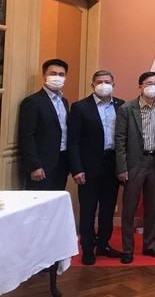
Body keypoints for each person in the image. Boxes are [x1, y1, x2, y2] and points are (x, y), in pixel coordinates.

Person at [68, 70, 125, 265]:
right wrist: (76, 168)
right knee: (88, 209)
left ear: (113, 84)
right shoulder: (80, 107)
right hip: (88, 167)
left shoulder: (121, 106)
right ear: (93, 85)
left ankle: (103, 245)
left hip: (112, 165)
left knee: (108, 209)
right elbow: (73, 141)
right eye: (99, 82)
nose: (103, 85)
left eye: (107, 81)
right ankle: (87, 248)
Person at [115, 71, 155, 264]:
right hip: (134, 164)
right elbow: (120, 140)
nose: (153, 86)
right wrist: (121, 168)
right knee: (129, 208)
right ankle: (128, 249)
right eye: (149, 83)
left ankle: (150, 245)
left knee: (152, 207)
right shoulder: (126, 109)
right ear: (140, 86)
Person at [18, 58, 70, 190]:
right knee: (39, 206)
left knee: (57, 203)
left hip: (62, 162)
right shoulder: (33, 102)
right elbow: (26, 136)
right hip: (42, 165)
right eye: (53, 74)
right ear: (44, 76)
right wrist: (34, 166)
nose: (57, 77)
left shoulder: (64, 101)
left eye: (61, 74)